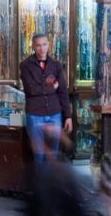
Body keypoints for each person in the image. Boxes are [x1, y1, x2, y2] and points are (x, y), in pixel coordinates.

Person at [20, 32, 72, 161]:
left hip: (55, 114)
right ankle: (39, 181)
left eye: (44, 44)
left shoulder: (56, 65)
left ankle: (49, 181)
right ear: (33, 46)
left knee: (52, 155)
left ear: (48, 45)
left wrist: (68, 116)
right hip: (35, 114)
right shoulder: (26, 65)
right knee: (38, 155)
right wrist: (51, 87)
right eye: (38, 45)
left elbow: (63, 92)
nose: (41, 48)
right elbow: (31, 89)